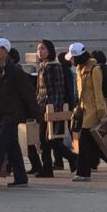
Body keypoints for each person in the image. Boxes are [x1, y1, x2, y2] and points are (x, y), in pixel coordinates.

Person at [0, 38, 41, 189]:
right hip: (0, 114)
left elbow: (27, 93)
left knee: (0, 145)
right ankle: (21, 178)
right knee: (12, 146)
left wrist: (36, 115)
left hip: (13, 114)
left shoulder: (15, 71)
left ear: (5, 51)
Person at [69, 43, 107, 181]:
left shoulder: (94, 69)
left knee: (84, 143)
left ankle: (83, 173)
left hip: (94, 112)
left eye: (73, 57)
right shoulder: (79, 69)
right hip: (85, 110)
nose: (71, 60)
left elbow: (98, 93)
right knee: (93, 143)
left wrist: (102, 114)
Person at [35, 39, 77, 177]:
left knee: (51, 139)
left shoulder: (55, 67)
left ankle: (72, 157)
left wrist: (55, 109)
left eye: (43, 49)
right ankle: (47, 168)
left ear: (50, 50)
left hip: (52, 107)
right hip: (42, 106)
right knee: (43, 139)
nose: (40, 51)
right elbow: (39, 90)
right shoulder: (42, 66)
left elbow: (59, 90)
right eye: (38, 49)